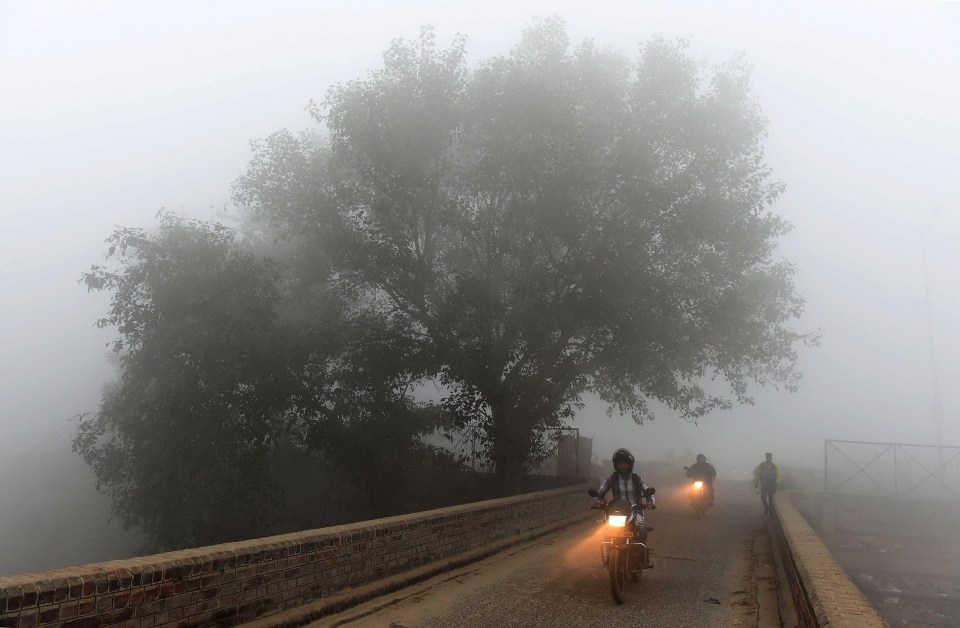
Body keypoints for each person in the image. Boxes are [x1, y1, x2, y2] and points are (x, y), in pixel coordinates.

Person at [595, 448, 656, 566]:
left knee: (642, 528)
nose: (622, 466)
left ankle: (643, 554)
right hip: (617, 511)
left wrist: (650, 501)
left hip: (635, 510)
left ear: (629, 464)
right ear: (616, 465)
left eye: (625, 463)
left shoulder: (636, 478)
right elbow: (600, 492)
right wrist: (597, 501)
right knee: (607, 529)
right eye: (620, 463)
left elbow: (648, 491)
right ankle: (609, 552)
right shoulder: (611, 478)